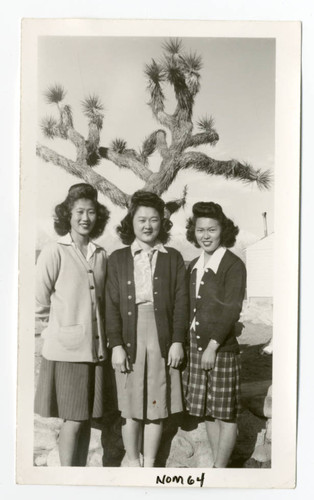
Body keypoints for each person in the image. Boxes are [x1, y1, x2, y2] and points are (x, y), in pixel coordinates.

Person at [106, 190, 188, 467]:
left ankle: (150, 465)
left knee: (157, 406)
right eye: (141, 220)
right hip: (130, 336)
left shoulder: (173, 257)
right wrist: (116, 344)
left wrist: (177, 340)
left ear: (162, 224)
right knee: (130, 408)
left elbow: (181, 303)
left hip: (161, 336)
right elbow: (111, 305)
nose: (148, 225)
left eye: (154, 220)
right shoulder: (117, 259)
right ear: (131, 222)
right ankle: (133, 462)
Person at [34, 183, 110, 466]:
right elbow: (38, 300)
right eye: (79, 211)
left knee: (85, 420)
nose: (85, 218)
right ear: (68, 214)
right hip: (67, 353)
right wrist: (52, 332)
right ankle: (67, 479)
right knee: (74, 421)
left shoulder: (100, 253)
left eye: (91, 212)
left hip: (94, 352)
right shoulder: (54, 251)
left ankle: (79, 476)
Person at [183, 202, 246, 468]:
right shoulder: (194, 265)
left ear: (223, 230)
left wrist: (212, 346)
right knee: (208, 412)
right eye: (200, 230)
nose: (205, 235)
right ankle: (214, 465)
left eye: (212, 229)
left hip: (219, 350)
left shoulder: (232, 265)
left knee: (225, 414)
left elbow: (231, 310)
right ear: (193, 232)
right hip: (195, 349)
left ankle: (220, 469)